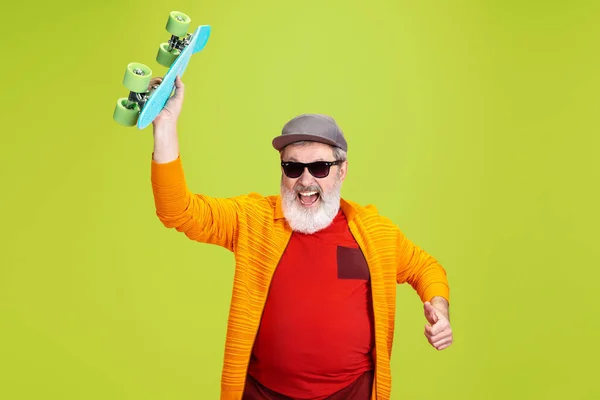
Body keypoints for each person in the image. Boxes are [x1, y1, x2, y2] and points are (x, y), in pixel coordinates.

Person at [148, 76, 453, 400]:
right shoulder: (253, 220)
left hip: (352, 393)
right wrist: (165, 127)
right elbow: (178, 211)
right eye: (293, 168)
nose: (305, 181)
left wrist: (439, 308)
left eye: (320, 167)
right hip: (263, 393)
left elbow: (426, 268)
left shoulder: (374, 233)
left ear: (342, 170)